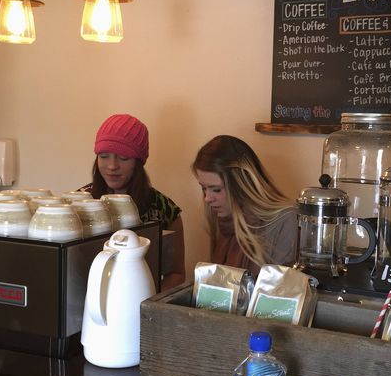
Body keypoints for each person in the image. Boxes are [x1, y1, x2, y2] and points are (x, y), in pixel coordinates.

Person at [80, 114, 185, 289]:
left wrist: (145, 304)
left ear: (139, 162)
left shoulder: (165, 210)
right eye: (104, 156)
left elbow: (177, 274)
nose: (112, 166)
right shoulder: (82, 203)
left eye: (123, 158)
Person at [191, 135, 298, 276]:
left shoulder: (285, 220)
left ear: (242, 185)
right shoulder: (222, 217)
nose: (207, 198)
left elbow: (281, 290)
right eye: (203, 188)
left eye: (216, 189)